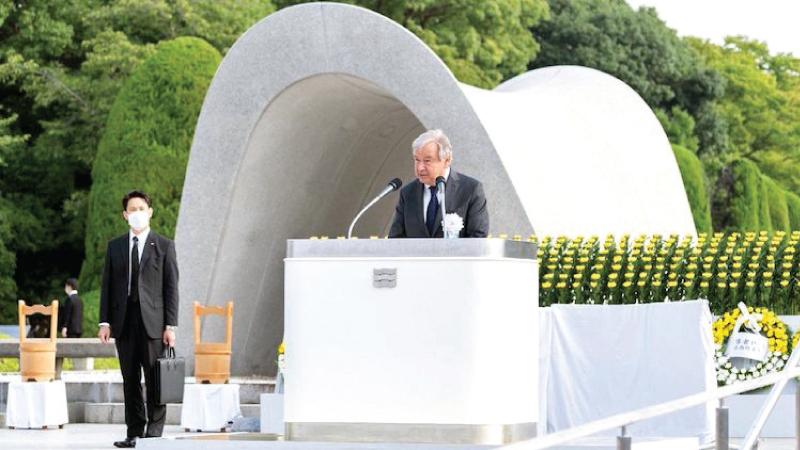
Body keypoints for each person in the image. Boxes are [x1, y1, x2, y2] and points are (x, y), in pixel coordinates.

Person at [98, 190, 179, 448]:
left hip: (153, 323)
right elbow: (107, 286)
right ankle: (133, 432)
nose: (137, 213)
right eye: (132, 210)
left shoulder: (164, 246)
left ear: (150, 212)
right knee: (130, 380)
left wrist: (170, 325)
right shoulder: (115, 247)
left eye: (141, 208)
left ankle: (154, 433)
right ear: (125, 215)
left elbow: (171, 288)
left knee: (155, 379)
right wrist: (104, 322)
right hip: (124, 323)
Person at [388, 129, 489, 238]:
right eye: (417, 160)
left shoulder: (470, 190)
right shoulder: (407, 193)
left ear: (447, 160)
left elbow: (478, 238)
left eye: (427, 161)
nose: (420, 167)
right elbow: (395, 238)